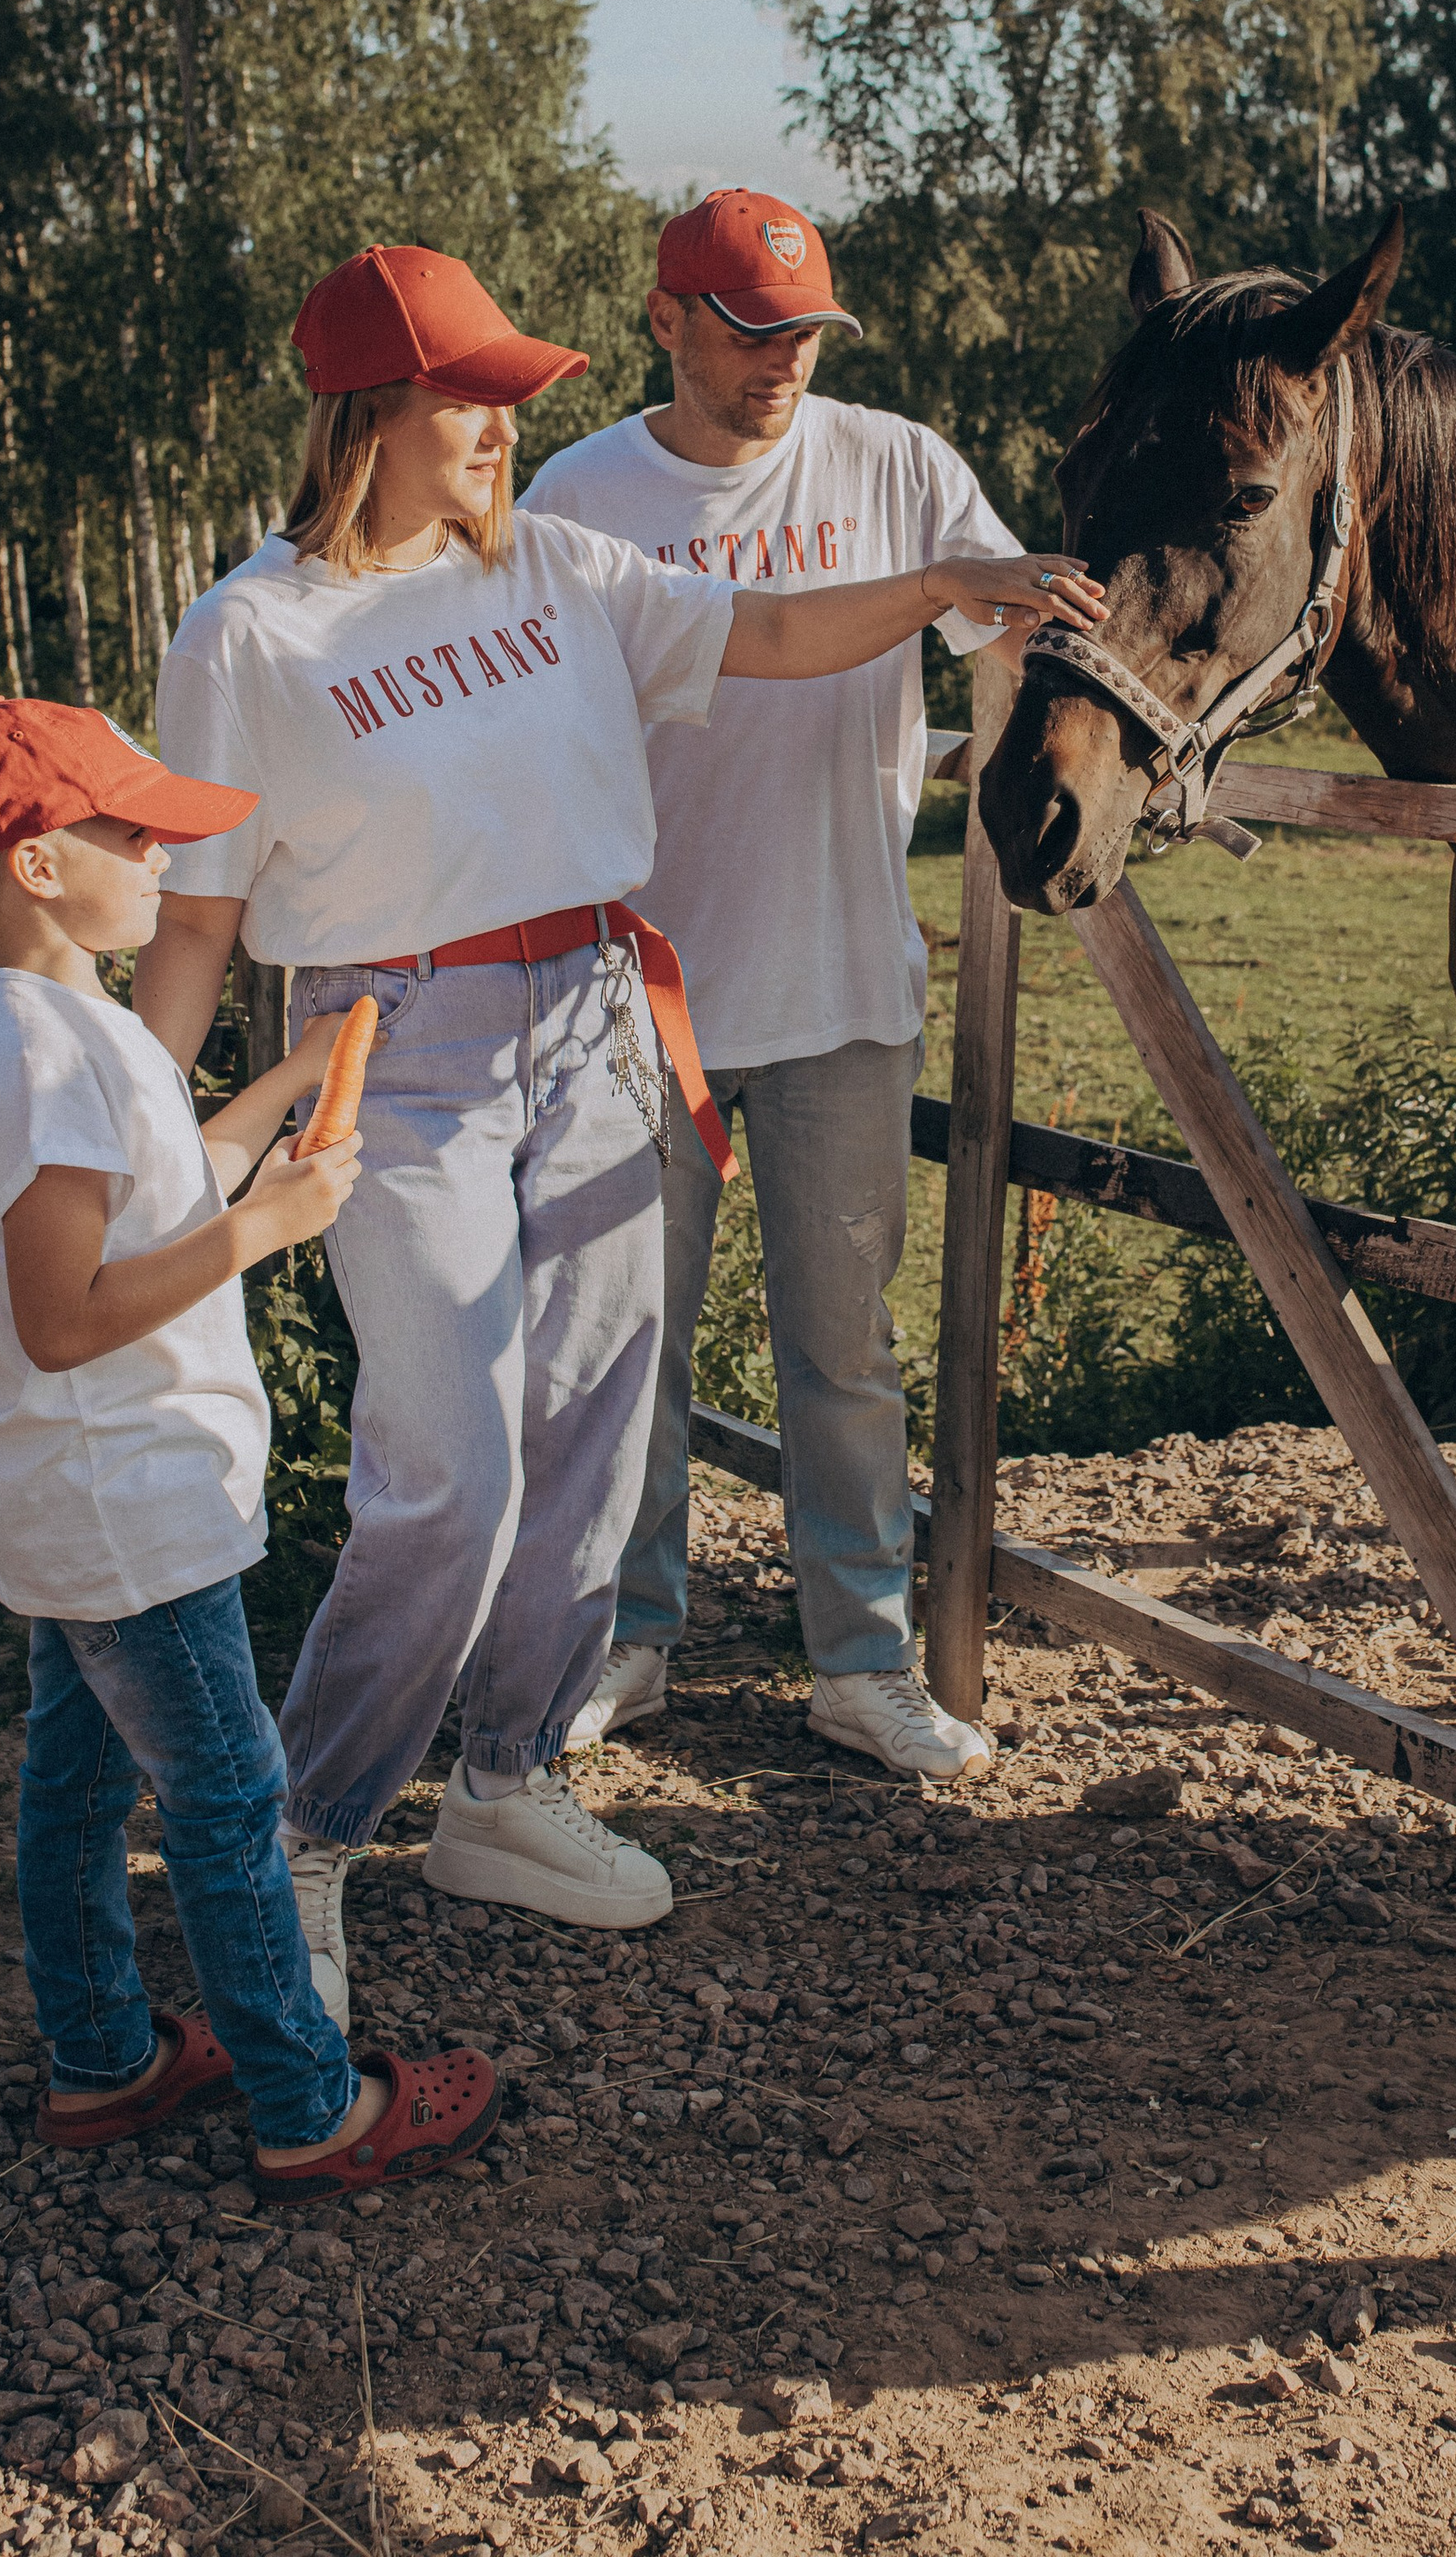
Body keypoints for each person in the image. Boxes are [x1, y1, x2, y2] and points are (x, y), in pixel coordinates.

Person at [134, 241, 1101, 2029]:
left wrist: (955, 580)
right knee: (451, 1467)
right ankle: (305, 1836)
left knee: (586, 1440)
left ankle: (505, 1785)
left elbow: (781, 634)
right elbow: (195, 915)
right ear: (370, 415)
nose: (507, 424)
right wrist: (137, 1142)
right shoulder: (251, 631)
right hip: (390, 1051)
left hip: (592, 1022)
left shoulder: (568, 566)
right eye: (469, 396)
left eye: (514, 394)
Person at [0, 699, 500, 2202]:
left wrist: (293, 1087)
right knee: (232, 1802)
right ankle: (314, 2106)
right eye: (132, 832)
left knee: (72, 1787)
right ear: (40, 866)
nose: (167, 856)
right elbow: (63, 1315)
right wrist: (267, 1232)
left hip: (75, 1506)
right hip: (133, 1509)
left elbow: (160, 1199)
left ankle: (104, 2059)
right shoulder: (55, 1062)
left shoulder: (56, 1033)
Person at [526, 188, 1025, 1781]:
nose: (781, 365)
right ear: (668, 320)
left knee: (845, 1349)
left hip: (841, 989)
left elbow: (1011, 639)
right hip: (633, 1002)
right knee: (624, 1356)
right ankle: (628, 1642)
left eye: (805, 333)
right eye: (749, 332)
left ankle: (861, 1663)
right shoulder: (578, 495)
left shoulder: (900, 466)